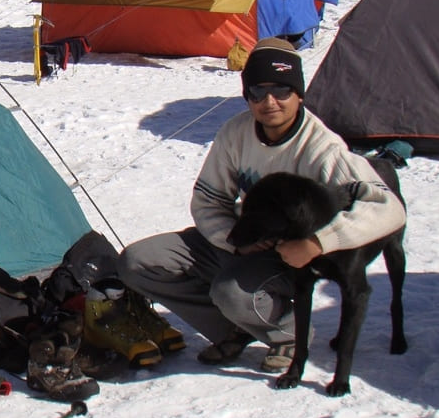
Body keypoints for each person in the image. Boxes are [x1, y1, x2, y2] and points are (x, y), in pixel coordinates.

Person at [116, 38, 407, 372]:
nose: (270, 102)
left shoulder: (324, 149)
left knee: (231, 292)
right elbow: (209, 199)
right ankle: (236, 328)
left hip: (292, 257)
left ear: (299, 94)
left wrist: (316, 244)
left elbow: (388, 208)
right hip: (242, 237)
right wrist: (233, 241)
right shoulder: (236, 133)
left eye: (282, 90)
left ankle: (288, 334)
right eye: (257, 91)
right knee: (138, 261)